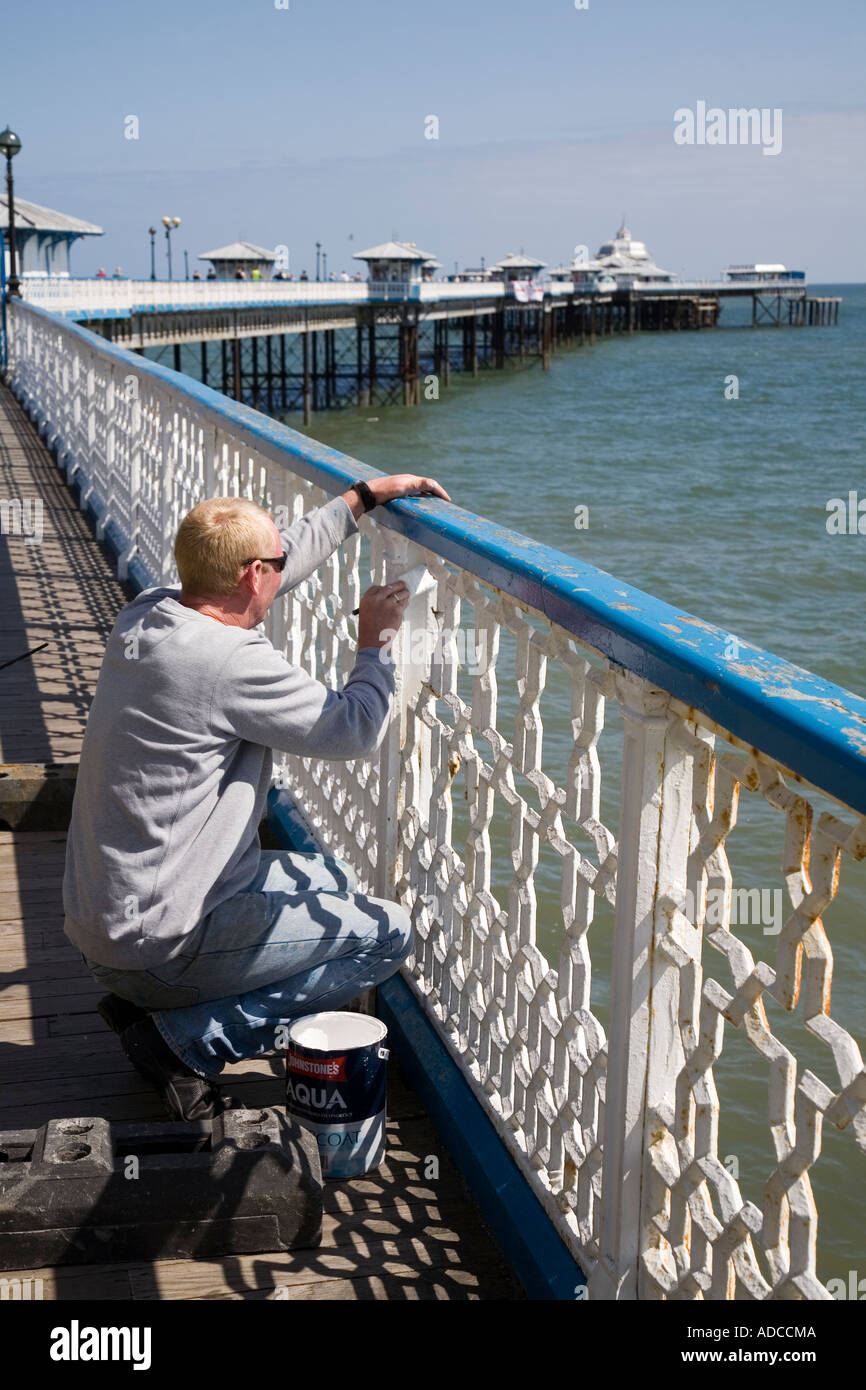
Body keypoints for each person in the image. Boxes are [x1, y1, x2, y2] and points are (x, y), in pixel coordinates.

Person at [62, 473, 452, 1121]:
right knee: (385, 935)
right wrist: (377, 638)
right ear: (250, 578)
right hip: (155, 946)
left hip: (104, 926)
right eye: (272, 566)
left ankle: (146, 1003)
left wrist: (362, 498)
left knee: (324, 876)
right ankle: (183, 1041)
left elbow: (281, 556)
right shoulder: (226, 663)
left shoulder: (151, 611)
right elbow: (354, 727)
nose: (282, 570)